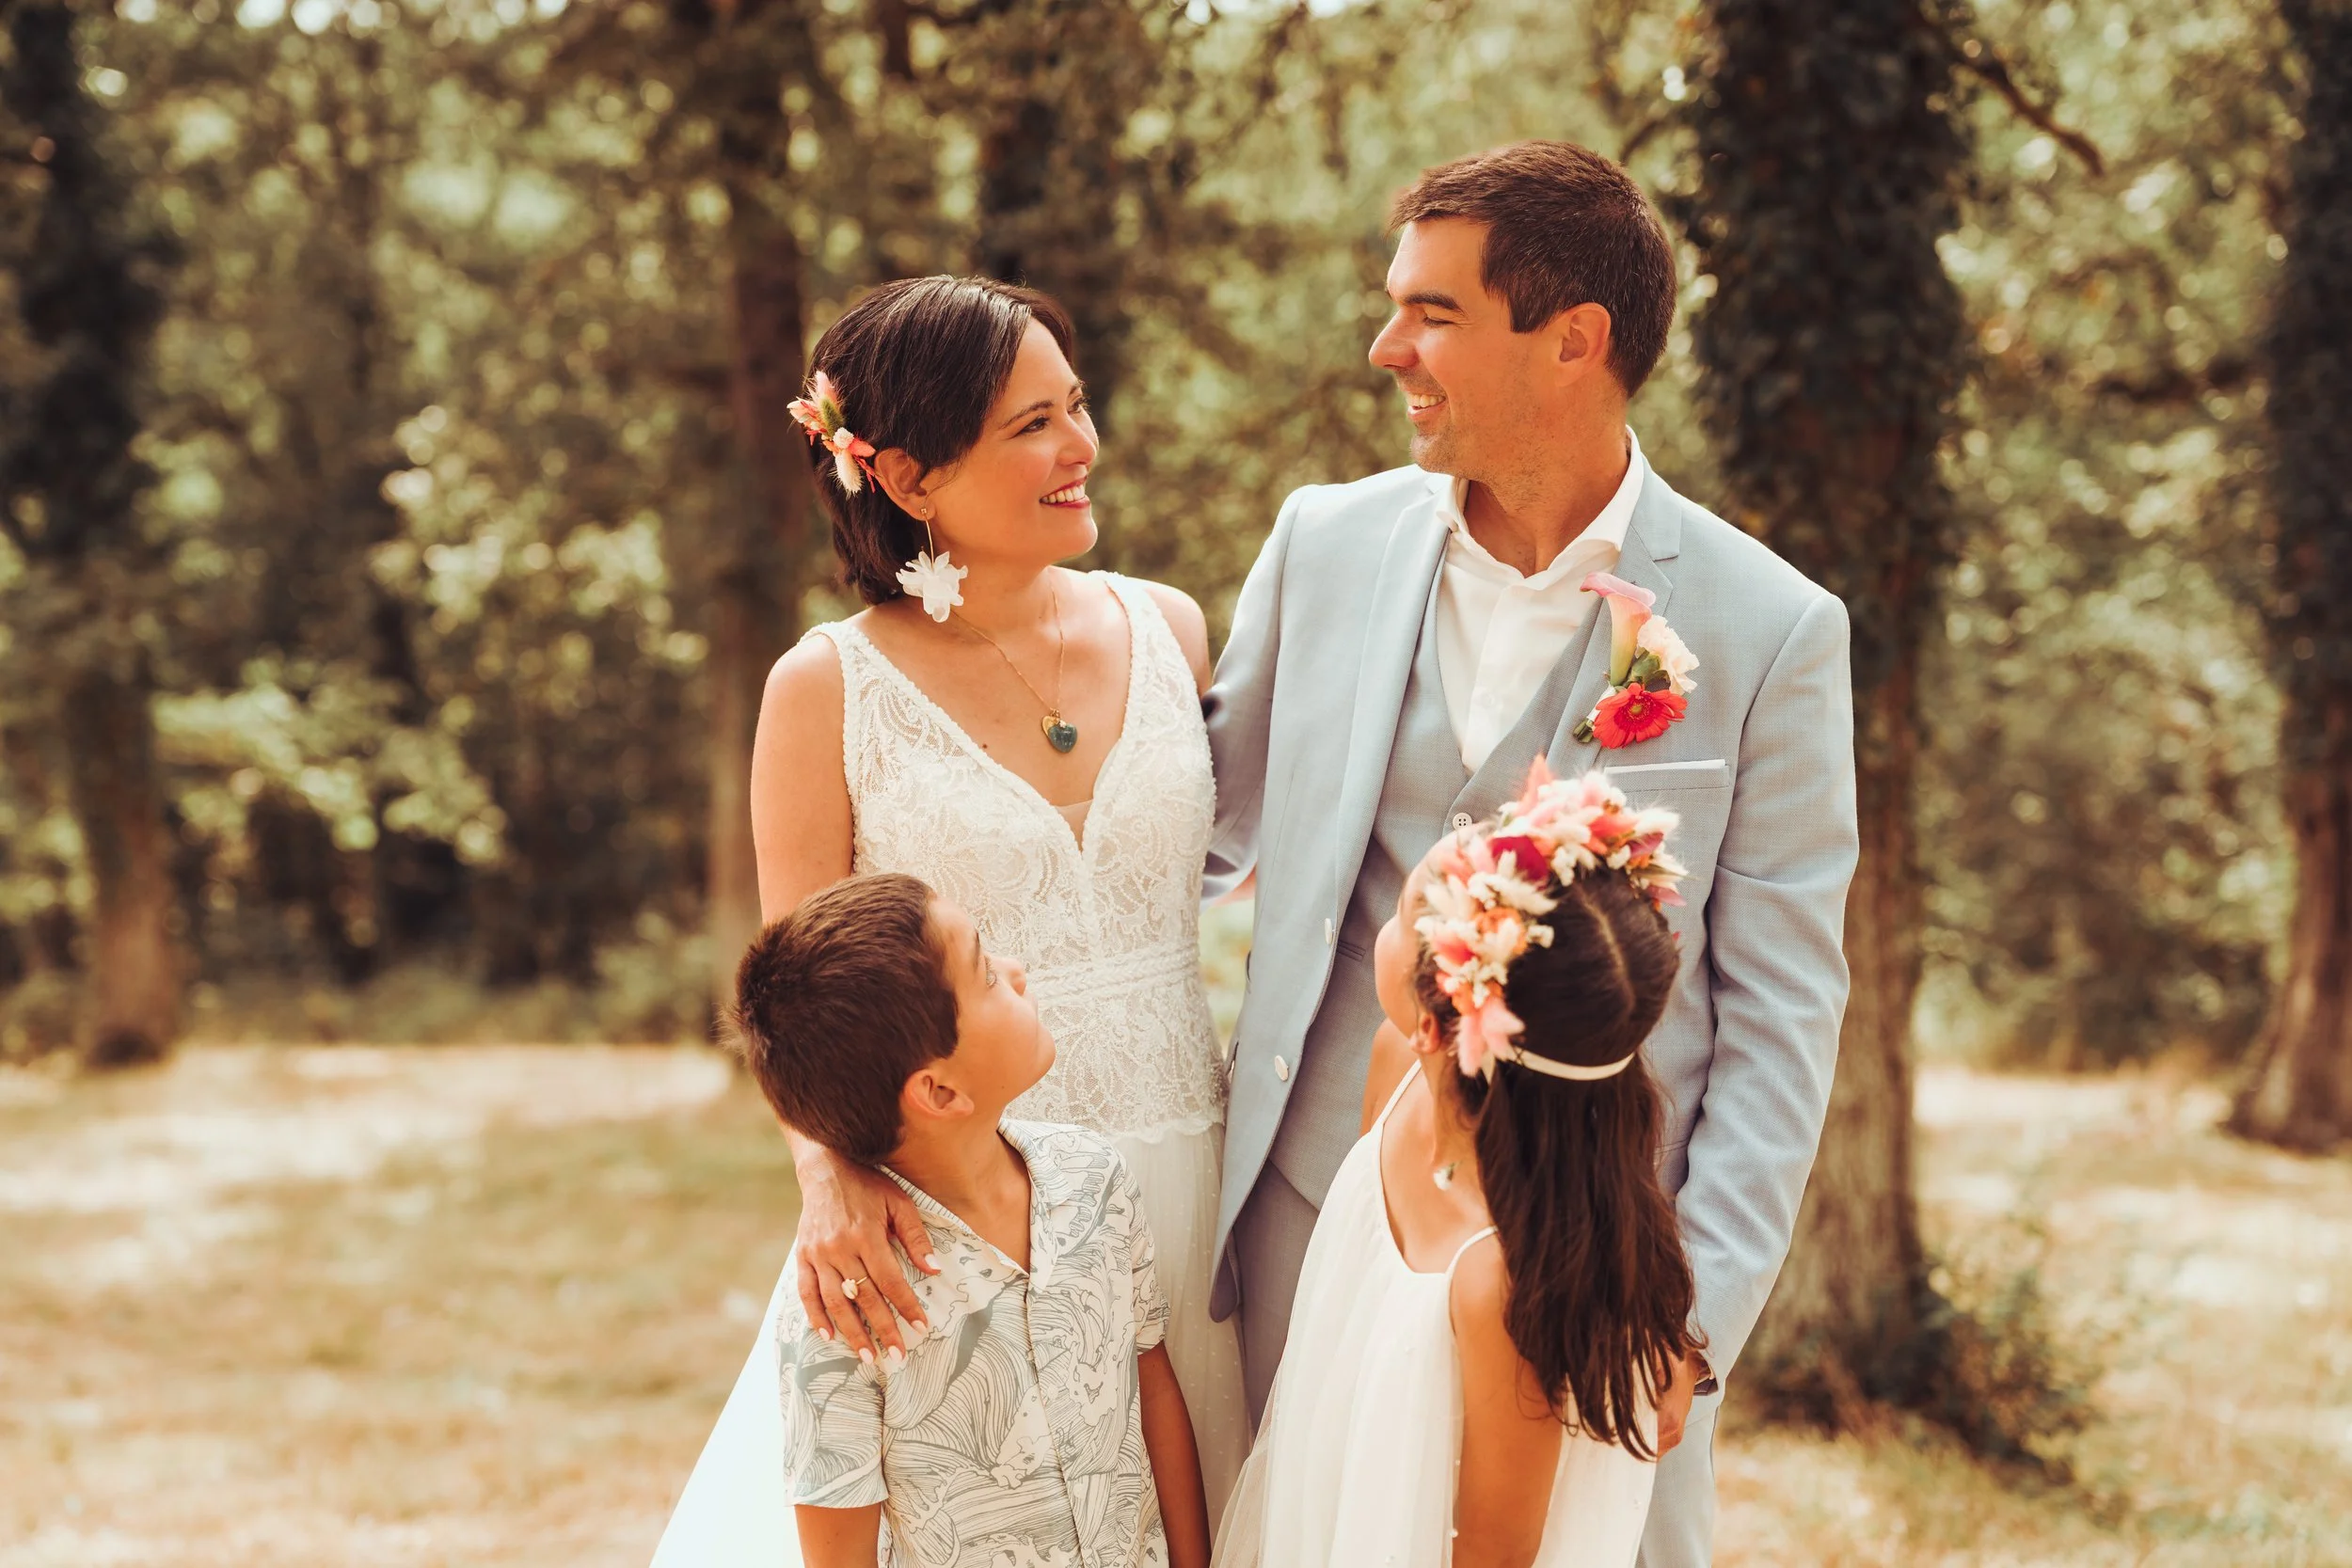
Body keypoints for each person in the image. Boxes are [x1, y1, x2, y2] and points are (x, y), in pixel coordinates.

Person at [1202, 140, 1858, 1567]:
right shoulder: (1321, 545)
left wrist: (1695, 1316)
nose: (1387, 349)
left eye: (1431, 313)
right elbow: (1184, 840)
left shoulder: (1771, 626)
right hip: (1319, 1229)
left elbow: (1782, 1012)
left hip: (1598, 1274)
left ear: (1573, 340)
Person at [650, 276, 1247, 1566]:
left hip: (1198, 1190)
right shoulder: (825, 685)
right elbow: (797, 1000)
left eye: (1075, 405)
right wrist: (831, 1181)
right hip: (961, 1208)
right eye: (1034, 424)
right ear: (907, 475)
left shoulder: (1173, 628)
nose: (1081, 446)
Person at [1216, 763, 1699, 1568]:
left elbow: (1497, 1552)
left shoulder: (1503, 1278)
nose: (1383, 928)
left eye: (1399, 918)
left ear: (1440, 1022)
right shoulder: (1394, 1070)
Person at [733, 871, 1212, 1568]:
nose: (1016, 971)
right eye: (987, 973)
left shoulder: (1094, 1176)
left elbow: (1153, 1384)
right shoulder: (845, 1301)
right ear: (938, 1091)